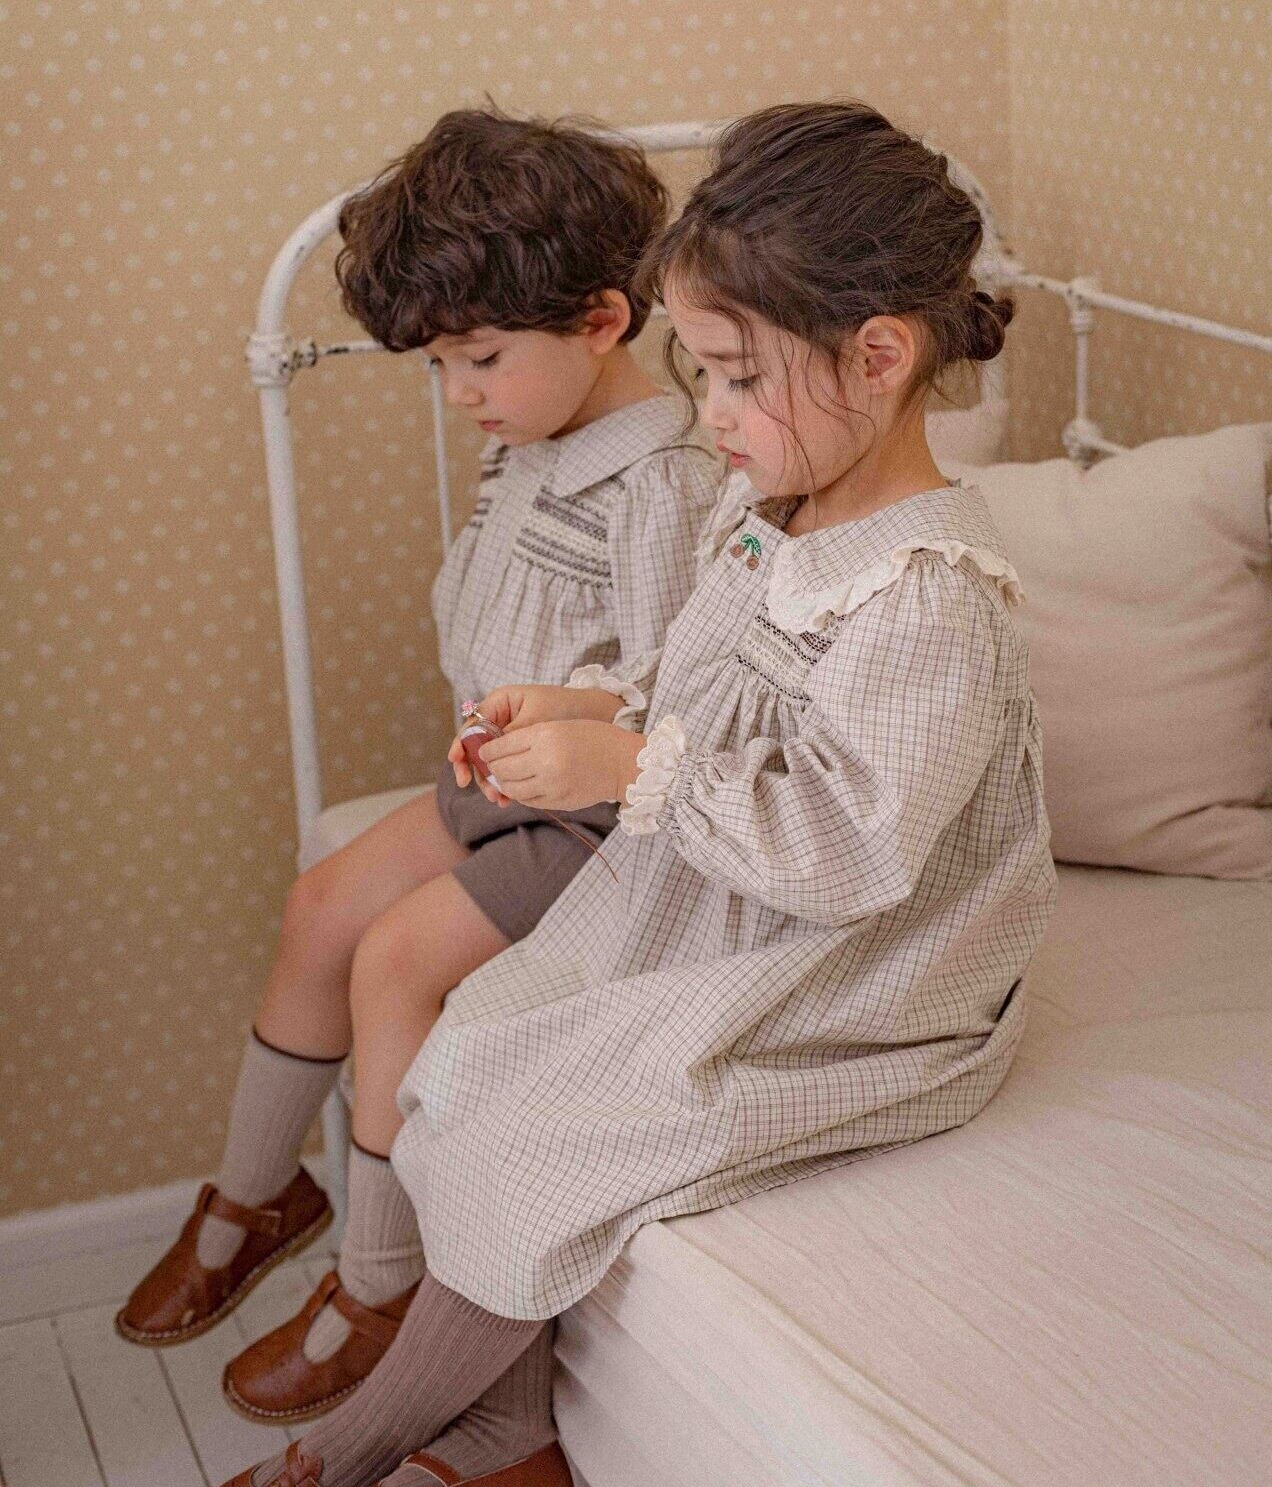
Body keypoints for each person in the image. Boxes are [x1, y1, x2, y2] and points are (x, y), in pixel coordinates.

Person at [227, 99, 1057, 1487]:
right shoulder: (772, 510)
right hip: (741, 891)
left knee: (546, 1135)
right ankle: (504, 1433)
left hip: (865, 970)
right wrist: (589, 709)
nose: (709, 415)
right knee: (476, 1054)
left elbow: (854, 850)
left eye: (737, 378)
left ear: (878, 356)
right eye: (702, 373)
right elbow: (694, 677)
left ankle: (357, 1447)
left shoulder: (929, 598)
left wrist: (633, 771)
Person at [114, 102, 721, 1426]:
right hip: (500, 779)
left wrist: (559, 727)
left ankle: (379, 1286)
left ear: (605, 320)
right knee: (321, 904)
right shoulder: (528, 442)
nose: (459, 395)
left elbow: (675, 698)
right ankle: (254, 1199)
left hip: (598, 821)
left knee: (394, 961)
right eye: (440, 364)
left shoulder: (660, 479)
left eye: (481, 359)